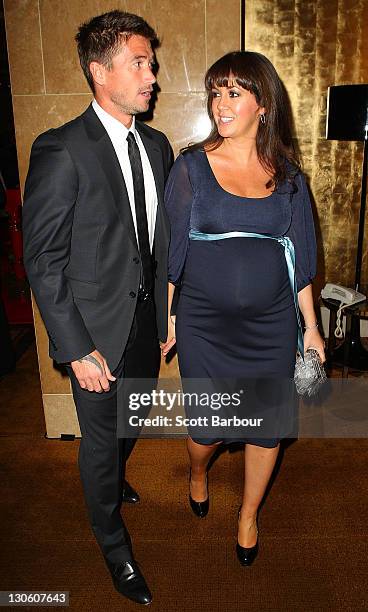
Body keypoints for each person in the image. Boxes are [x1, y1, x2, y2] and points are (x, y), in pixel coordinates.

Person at [23, 10, 173, 605]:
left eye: (152, 63)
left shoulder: (156, 145)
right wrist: (75, 347)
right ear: (98, 71)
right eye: (139, 63)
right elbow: (44, 261)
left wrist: (164, 317)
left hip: (143, 325)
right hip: (91, 333)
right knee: (99, 441)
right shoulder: (61, 148)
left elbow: (156, 246)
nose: (152, 76)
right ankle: (114, 545)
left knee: (130, 420)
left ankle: (113, 477)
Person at [163, 51, 325, 567]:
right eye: (216, 91)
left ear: (263, 103)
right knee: (205, 428)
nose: (220, 103)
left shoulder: (290, 177)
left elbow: (299, 260)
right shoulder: (190, 167)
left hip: (272, 324)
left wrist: (313, 330)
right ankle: (197, 471)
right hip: (203, 325)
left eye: (234, 92)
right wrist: (166, 319)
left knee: (265, 425)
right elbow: (173, 253)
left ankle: (249, 515)